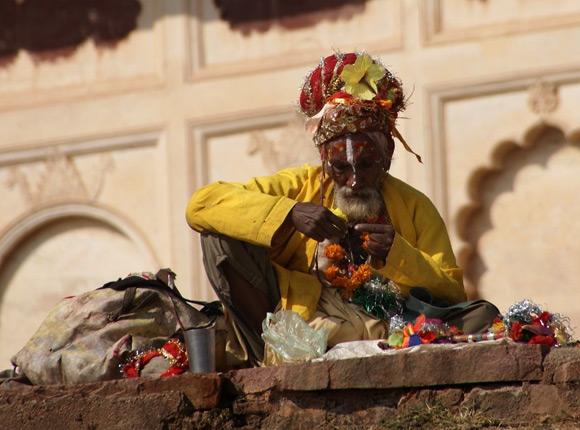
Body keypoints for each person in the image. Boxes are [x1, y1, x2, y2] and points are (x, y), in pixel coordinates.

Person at [186, 52, 499, 366]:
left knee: (481, 315)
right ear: (323, 157)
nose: (354, 180)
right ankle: (269, 354)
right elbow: (201, 204)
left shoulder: (414, 205)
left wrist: (398, 255)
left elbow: (453, 294)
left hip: (392, 328)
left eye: (365, 164)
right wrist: (289, 214)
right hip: (301, 327)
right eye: (340, 167)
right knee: (218, 236)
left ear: (388, 154)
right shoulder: (298, 186)